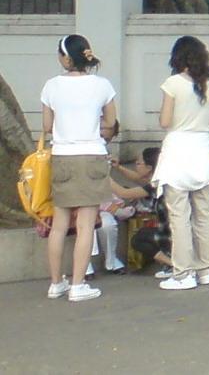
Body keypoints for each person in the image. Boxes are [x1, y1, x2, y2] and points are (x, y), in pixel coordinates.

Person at [38, 34, 117, 302]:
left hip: (62, 156)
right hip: (92, 156)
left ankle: (55, 283)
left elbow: (48, 127)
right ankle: (78, 284)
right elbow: (111, 121)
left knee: (59, 225)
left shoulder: (50, 86)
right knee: (85, 226)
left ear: (66, 58)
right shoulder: (102, 85)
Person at [151, 35, 209, 291]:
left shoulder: (172, 83)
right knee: (205, 214)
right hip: (204, 152)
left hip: (178, 153)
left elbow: (164, 121)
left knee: (179, 217)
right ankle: (206, 269)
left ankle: (183, 273)